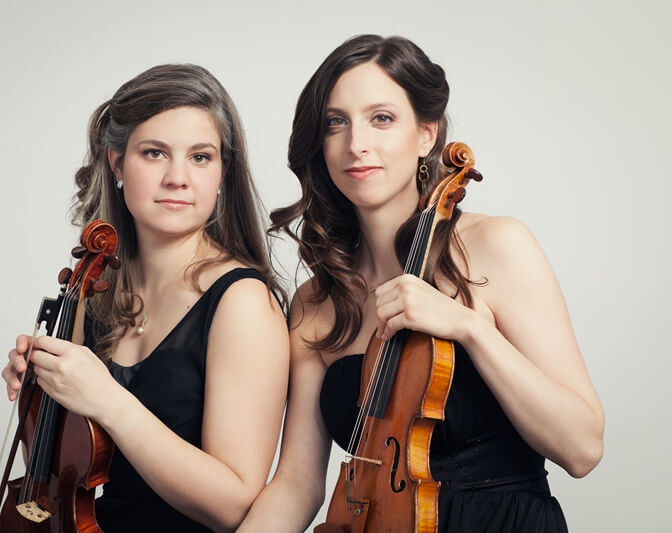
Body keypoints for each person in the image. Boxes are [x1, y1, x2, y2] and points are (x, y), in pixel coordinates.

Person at [238, 35, 604, 533]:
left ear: (426, 134)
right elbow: (298, 484)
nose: (356, 144)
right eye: (335, 123)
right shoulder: (317, 304)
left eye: (381, 118)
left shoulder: (496, 246)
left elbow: (582, 448)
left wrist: (471, 329)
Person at [1, 64, 289, 533]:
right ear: (117, 163)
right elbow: (65, 469)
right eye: (155, 153)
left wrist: (107, 399)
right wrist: (40, 394)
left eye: (200, 157)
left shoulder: (241, 302)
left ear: (222, 174)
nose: (178, 177)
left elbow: (234, 505)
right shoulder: (93, 292)